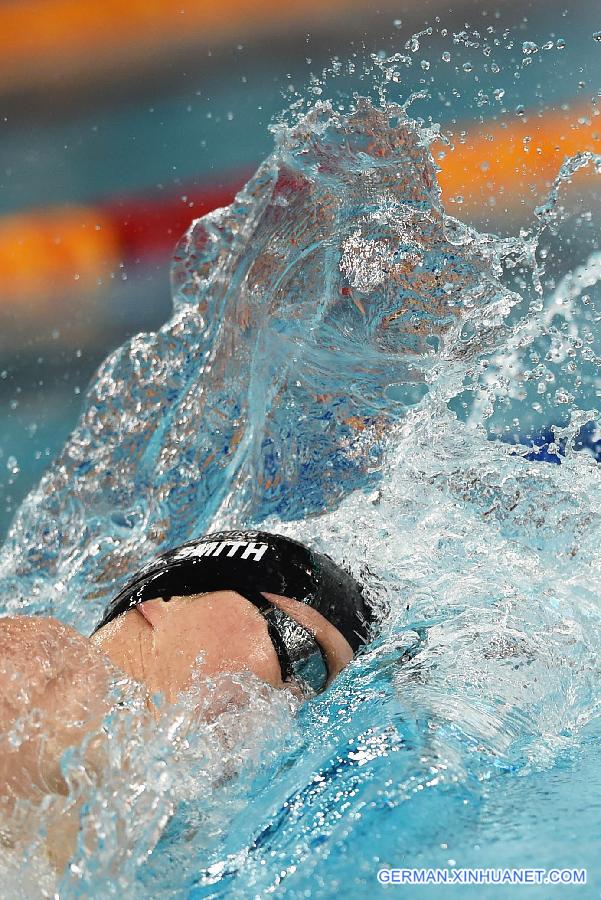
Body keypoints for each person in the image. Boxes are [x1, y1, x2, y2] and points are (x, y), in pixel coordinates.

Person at [0, 530, 375, 810]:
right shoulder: (40, 660)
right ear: (163, 602)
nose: (293, 697)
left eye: (317, 685)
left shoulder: (136, 806)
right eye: (297, 651)